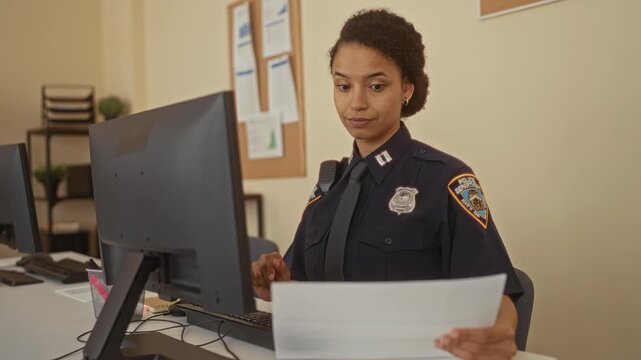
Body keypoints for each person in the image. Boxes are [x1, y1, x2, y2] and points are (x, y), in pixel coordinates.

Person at [251, 8, 523, 359]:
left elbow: (497, 292)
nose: (356, 103)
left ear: (406, 88)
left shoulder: (446, 179)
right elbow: (298, 286)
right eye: (343, 86)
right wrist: (273, 280)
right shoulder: (328, 188)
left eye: (376, 86)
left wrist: (502, 329)